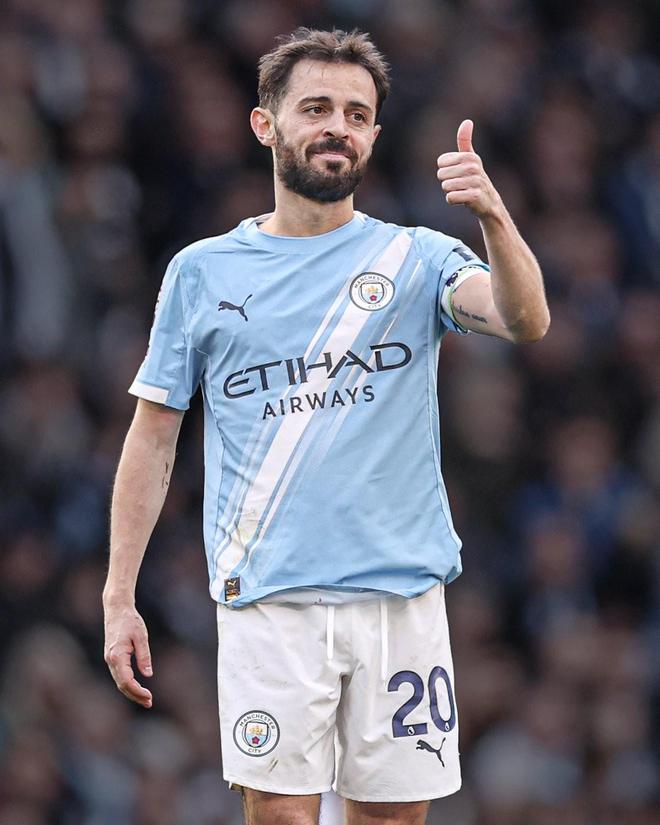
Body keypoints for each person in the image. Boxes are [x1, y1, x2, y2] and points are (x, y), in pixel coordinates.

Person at [103, 27, 550, 825]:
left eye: (356, 113)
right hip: (269, 596)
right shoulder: (202, 271)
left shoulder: (416, 258)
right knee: (280, 814)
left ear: (373, 136)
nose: (337, 126)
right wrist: (118, 593)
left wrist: (493, 216)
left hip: (399, 594)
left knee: (392, 818)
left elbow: (526, 320)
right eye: (315, 108)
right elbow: (153, 436)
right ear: (265, 123)